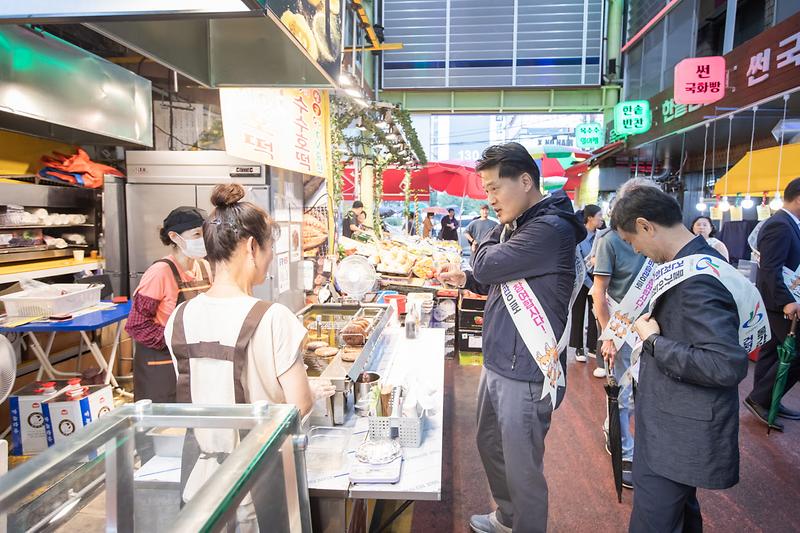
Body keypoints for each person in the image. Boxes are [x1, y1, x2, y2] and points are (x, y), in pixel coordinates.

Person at [165, 184, 335, 525]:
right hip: (258, 485)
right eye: (270, 247)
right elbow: (298, 405)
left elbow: (205, 393)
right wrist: (312, 391)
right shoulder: (273, 317)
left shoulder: (179, 318)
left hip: (200, 486)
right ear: (252, 246)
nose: (270, 258)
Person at [438, 142, 585, 533]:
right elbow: (502, 279)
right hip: (502, 358)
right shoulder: (527, 224)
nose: (489, 198)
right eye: (485, 190)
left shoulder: (549, 228)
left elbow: (487, 265)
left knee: (523, 469)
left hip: (527, 368)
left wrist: (485, 233)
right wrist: (467, 279)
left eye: (493, 189)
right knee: (491, 444)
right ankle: (507, 518)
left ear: (524, 181)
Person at [610, 185, 753, 533]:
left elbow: (725, 364)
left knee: (652, 522)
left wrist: (654, 341)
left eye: (632, 241)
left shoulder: (696, 279)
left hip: (676, 434)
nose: (637, 251)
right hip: (670, 423)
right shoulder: (695, 260)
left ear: (645, 226)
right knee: (682, 517)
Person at [126, 206, 211, 403]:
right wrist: (176, 342)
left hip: (194, 363)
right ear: (174, 237)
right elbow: (136, 325)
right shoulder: (159, 272)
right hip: (161, 365)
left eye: (205, 233)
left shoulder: (204, 267)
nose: (204, 239)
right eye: (197, 234)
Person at [745, 178, 800, 430]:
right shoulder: (780, 225)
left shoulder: (789, 224)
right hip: (778, 303)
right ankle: (760, 398)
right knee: (795, 353)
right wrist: (787, 301)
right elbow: (770, 269)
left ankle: (765, 401)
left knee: (770, 351)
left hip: (778, 301)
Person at [569, 204, 602, 366]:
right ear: (590, 218)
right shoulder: (579, 236)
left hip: (597, 278)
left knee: (595, 312)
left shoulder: (601, 236)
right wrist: (589, 284)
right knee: (578, 313)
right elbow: (577, 262)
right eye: (599, 216)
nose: (601, 219)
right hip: (581, 279)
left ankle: (592, 346)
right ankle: (578, 347)